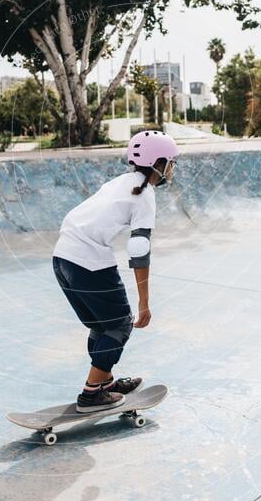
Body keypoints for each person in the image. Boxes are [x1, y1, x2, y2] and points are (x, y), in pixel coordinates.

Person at [52, 130, 179, 413]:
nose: (173, 168)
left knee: (101, 326)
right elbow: (139, 250)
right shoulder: (145, 194)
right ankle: (90, 394)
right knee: (120, 324)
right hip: (87, 260)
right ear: (159, 163)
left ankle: (105, 384)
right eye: (171, 162)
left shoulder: (122, 181)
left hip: (62, 257)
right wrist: (144, 303)